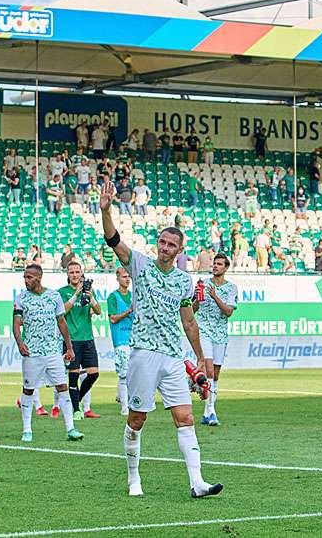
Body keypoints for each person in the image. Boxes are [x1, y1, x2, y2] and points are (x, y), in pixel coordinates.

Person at [99, 180, 222, 498]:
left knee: (186, 417)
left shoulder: (184, 280)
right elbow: (113, 240)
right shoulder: (140, 265)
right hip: (143, 354)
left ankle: (197, 483)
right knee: (137, 419)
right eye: (162, 242)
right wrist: (106, 210)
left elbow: (189, 320)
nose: (165, 248)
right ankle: (133, 478)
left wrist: (198, 357)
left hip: (172, 357)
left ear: (180, 251)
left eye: (171, 245)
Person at [13, 263, 83, 442]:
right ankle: (27, 430)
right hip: (32, 352)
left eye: (29, 277)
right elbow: (15, 323)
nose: (26, 280)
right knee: (28, 389)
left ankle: (71, 429)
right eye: (25, 277)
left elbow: (61, 322)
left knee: (62, 387)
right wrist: (20, 342)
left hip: (52, 351)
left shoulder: (53, 296)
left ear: (39, 277)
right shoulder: (21, 298)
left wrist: (69, 347)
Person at [194, 253, 238, 427]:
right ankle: (212, 411)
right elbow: (194, 308)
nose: (215, 266)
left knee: (216, 375)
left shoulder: (231, 288)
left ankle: (207, 410)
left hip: (220, 333)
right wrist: (198, 297)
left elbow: (228, 312)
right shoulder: (203, 284)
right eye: (214, 263)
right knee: (210, 371)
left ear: (226, 268)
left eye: (219, 264)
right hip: (203, 330)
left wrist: (215, 296)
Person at [60, 261, 102, 421]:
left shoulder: (89, 291)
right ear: (68, 275)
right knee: (74, 375)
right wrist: (76, 294)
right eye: (72, 272)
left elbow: (98, 311)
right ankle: (77, 410)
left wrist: (90, 298)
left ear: (81, 273)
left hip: (87, 338)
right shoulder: (62, 292)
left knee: (93, 374)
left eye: (77, 272)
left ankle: (74, 401)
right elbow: (62, 310)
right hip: (72, 340)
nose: (75, 275)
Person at [108, 266, 135, 416]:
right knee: (124, 374)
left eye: (128, 276)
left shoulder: (133, 295)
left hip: (133, 339)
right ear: (117, 278)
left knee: (132, 373)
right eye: (124, 276)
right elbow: (113, 318)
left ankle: (123, 398)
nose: (127, 279)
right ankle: (125, 407)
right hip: (121, 339)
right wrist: (129, 311)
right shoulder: (113, 297)